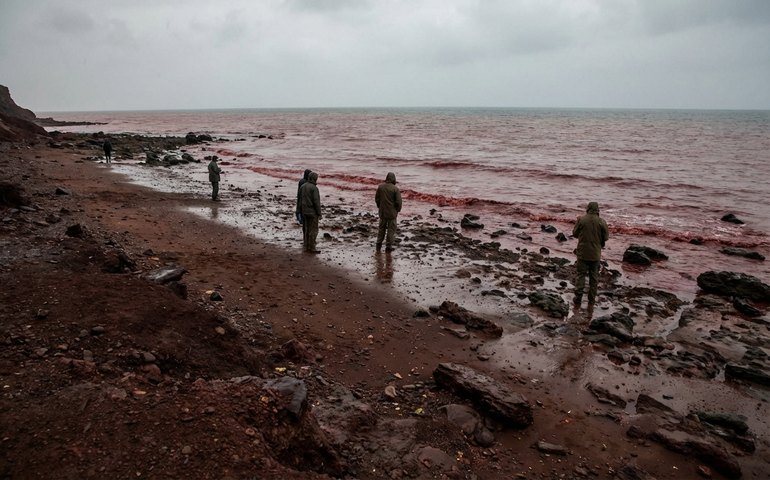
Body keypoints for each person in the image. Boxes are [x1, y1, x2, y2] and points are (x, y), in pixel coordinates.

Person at [572, 201, 609, 307]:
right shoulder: (602, 222)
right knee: (594, 277)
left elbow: (575, 234)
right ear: (598, 210)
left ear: (587, 209)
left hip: (583, 252)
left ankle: (578, 297)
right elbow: (606, 237)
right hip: (595, 254)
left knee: (581, 275)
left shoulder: (581, 220)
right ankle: (591, 300)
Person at [375, 172, 402, 252]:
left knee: (381, 229)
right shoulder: (395, 189)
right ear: (394, 179)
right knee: (391, 229)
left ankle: (378, 245)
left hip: (382, 212)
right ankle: (388, 247)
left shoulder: (380, 187)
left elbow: (377, 199)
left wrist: (379, 206)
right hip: (392, 213)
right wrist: (398, 210)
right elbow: (398, 202)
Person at [297, 171, 321, 253]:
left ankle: (306, 246)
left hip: (304, 211)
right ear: (314, 178)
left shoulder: (302, 186)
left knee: (306, 229)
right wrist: (319, 213)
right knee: (313, 230)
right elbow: (316, 202)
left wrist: (298, 211)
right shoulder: (314, 188)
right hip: (312, 212)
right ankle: (312, 247)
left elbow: (299, 200)